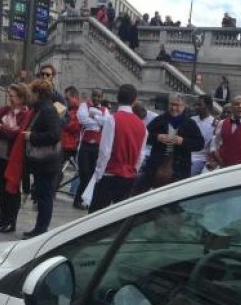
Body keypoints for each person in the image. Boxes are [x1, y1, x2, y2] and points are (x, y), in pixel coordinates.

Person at [88, 84, 147, 213]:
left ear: (118, 97)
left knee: (95, 216)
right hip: (128, 176)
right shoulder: (142, 126)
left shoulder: (112, 119)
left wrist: (98, 175)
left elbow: (105, 151)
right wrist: (134, 170)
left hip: (110, 173)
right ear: (135, 100)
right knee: (118, 217)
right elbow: (141, 155)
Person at [0, 83, 32, 233]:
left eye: (12, 96)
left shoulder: (25, 114)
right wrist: (0, 128)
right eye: (9, 95)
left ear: (21, 98)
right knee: (1, 189)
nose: (9, 99)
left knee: (12, 189)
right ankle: (2, 219)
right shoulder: (4, 110)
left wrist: (1, 128)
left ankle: (11, 221)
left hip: (13, 157)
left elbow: (16, 134)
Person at [22, 78, 62, 238]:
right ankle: (39, 227)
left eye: (32, 92)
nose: (30, 96)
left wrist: (32, 137)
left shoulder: (47, 110)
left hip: (47, 162)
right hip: (44, 162)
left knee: (45, 196)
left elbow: (54, 135)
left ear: (38, 93)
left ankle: (41, 229)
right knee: (42, 194)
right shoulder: (43, 108)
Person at [139, 94, 204, 192]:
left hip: (180, 168)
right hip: (157, 167)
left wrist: (182, 141)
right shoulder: (160, 120)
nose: (174, 108)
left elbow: (199, 144)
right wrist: (158, 137)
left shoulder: (190, 123)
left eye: (177, 105)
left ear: (183, 106)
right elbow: (144, 136)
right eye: (172, 104)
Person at [73, 88, 109, 209]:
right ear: (91, 96)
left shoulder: (105, 110)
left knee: (93, 174)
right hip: (85, 145)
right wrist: (99, 121)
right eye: (94, 95)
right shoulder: (84, 105)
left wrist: (94, 117)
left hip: (97, 147)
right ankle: (78, 199)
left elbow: (107, 123)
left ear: (102, 97)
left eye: (99, 96)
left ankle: (84, 200)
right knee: (84, 173)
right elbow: (82, 120)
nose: (96, 98)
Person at [190, 95, 217, 176]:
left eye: (199, 105)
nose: (196, 107)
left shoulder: (214, 123)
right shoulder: (191, 120)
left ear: (207, 106)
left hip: (201, 158)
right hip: (186, 155)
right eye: (196, 105)